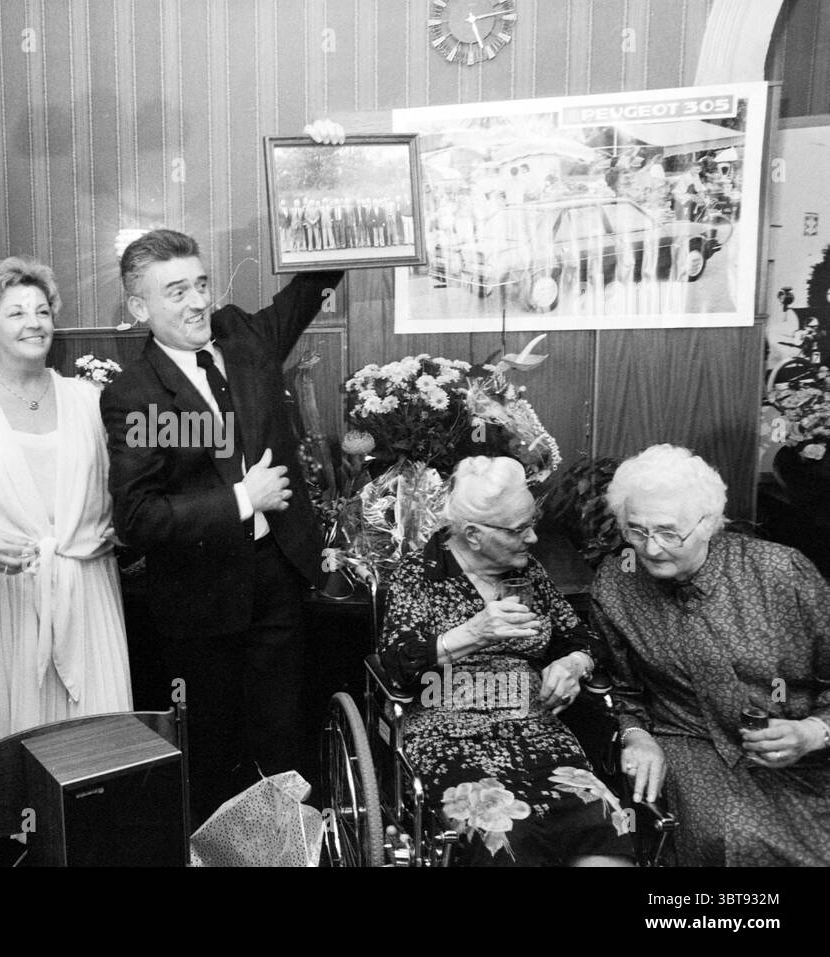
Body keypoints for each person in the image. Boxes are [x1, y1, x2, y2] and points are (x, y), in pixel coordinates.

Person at [100, 169, 343, 819]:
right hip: (202, 599)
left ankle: (285, 851)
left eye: (201, 283)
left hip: (277, 577)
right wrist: (241, 499)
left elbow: (318, 277)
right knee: (212, 751)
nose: (196, 300)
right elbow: (137, 517)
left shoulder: (244, 336)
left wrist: (322, 173)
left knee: (280, 737)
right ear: (139, 308)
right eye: (175, 290)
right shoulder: (136, 395)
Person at [379, 456, 633, 866]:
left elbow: (580, 635)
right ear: (474, 534)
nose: (533, 538)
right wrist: (474, 632)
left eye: (531, 523)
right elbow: (398, 663)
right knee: (504, 832)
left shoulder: (530, 572)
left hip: (538, 728)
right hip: (449, 732)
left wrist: (573, 664)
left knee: (601, 820)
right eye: (519, 530)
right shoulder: (418, 574)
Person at [0, 257, 132, 748]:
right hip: (5, 597)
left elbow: (126, 484)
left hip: (87, 588)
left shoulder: (90, 400)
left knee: (99, 747)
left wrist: (123, 523)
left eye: (42, 311)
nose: (34, 323)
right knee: (17, 747)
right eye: (16, 313)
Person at [590, 444, 830, 866]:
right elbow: (622, 689)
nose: (650, 549)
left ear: (708, 525)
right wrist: (637, 735)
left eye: (668, 532)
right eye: (636, 530)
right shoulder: (618, 580)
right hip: (691, 739)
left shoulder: (779, 573)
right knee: (724, 839)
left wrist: (812, 731)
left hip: (801, 746)